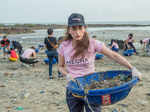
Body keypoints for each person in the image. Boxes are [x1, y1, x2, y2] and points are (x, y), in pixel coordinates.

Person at [57, 13, 142, 112]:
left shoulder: (92, 43)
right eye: (74, 29)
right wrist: (67, 75)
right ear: (69, 30)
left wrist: (132, 68)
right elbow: (60, 66)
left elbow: (113, 55)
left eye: (80, 28)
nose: (77, 32)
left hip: (92, 88)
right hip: (73, 88)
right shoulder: (64, 46)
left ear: (85, 28)